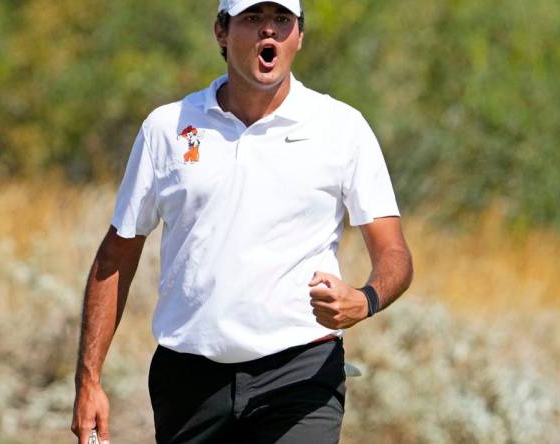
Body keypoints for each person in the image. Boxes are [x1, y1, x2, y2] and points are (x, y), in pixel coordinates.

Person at [71, 0, 413, 442]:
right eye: (253, 19)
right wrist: (89, 380)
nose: (268, 32)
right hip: (189, 378)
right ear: (221, 32)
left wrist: (365, 299)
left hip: (300, 372)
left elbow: (395, 254)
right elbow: (116, 255)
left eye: (282, 21)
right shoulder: (167, 128)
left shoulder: (342, 128)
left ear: (299, 37)